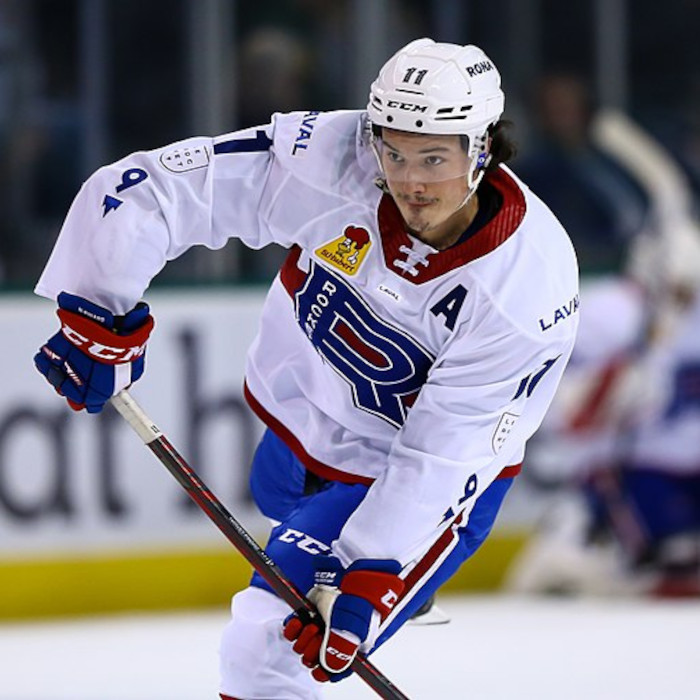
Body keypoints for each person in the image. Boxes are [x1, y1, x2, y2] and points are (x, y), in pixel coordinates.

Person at [33, 39, 579, 698]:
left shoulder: (527, 287)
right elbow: (152, 188)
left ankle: (411, 577)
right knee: (276, 506)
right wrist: (97, 308)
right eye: (395, 154)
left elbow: (445, 453)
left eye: (434, 159)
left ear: (482, 149)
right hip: (299, 435)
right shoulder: (333, 156)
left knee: (265, 646)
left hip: (414, 482)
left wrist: (374, 567)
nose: (410, 182)